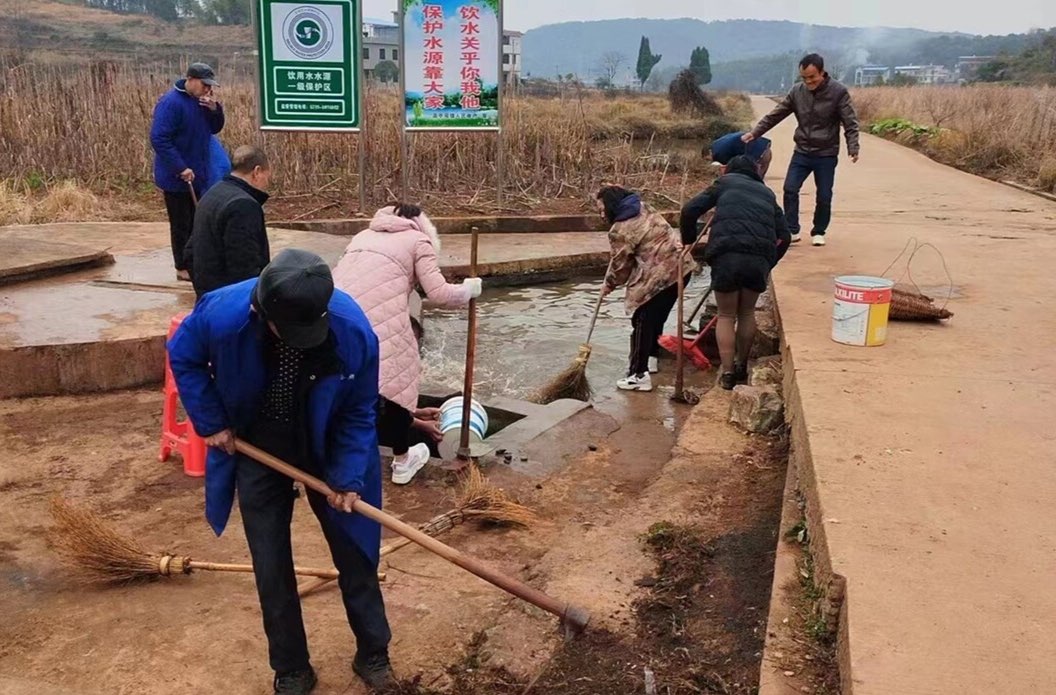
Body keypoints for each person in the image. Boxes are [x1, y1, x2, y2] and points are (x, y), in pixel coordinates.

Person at [168, 249, 394, 694]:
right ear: (263, 312)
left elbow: (360, 410)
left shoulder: (352, 331)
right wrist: (211, 420)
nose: (300, 339)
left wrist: (347, 476)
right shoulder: (222, 312)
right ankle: (291, 667)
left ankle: (374, 653)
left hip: (327, 444)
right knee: (270, 561)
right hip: (259, 444)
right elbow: (184, 356)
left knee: (356, 552)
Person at [332, 203, 481, 484]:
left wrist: (415, 416)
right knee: (397, 377)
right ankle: (402, 461)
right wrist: (469, 289)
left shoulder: (362, 236)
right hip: (380, 319)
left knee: (358, 383)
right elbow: (438, 293)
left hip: (339, 316)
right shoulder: (418, 240)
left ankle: (343, 452)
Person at [679, 155, 792, 390]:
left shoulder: (725, 183)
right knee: (747, 313)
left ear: (726, 171)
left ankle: (728, 373)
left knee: (727, 315)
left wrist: (688, 240)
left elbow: (689, 210)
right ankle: (742, 365)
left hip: (727, 255)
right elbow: (786, 236)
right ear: (756, 172)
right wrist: (768, 262)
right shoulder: (767, 194)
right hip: (757, 259)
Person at [742, 53, 859, 247]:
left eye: (812, 77)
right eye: (804, 78)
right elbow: (775, 115)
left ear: (822, 73)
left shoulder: (838, 92)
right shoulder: (797, 91)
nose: (808, 81)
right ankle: (792, 229)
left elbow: (850, 122)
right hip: (802, 151)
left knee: (824, 194)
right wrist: (754, 133)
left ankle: (819, 231)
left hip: (826, 153)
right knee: (790, 188)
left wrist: (853, 146)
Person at [597, 185, 696, 393]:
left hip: (661, 276)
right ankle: (651, 358)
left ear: (612, 207)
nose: (601, 214)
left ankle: (638, 374)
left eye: (602, 209)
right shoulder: (644, 207)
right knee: (654, 318)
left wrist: (609, 284)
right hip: (681, 268)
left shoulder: (620, 230)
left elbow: (621, 266)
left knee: (642, 319)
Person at [150, 62, 225, 281]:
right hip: (176, 174)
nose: (208, 90)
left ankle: (197, 261)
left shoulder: (202, 102)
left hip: (199, 171)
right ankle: (182, 266)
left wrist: (215, 110)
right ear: (191, 80)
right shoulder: (171, 103)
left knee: (198, 219)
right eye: (204, 85)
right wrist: (180, 166)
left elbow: (215, 128)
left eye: (210, 86)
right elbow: (159, 138)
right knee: (181, 222)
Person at [187, 145, 272, 298]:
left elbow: (189, 252)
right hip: (231, 303)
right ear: (257, 171)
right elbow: (245, 267)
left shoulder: (212, 194)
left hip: (209, 297)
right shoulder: (243, 206)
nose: (266, 183)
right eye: (267, 176)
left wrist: (205, 294)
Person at [707, 131, 773, 178]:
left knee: (753, 180)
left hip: (759, 155)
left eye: (707, 159)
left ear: (710, 151)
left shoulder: (718, 153)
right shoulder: (717, 143)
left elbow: (728, 169)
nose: (710, 161)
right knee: (759, 179)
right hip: (765, 147)